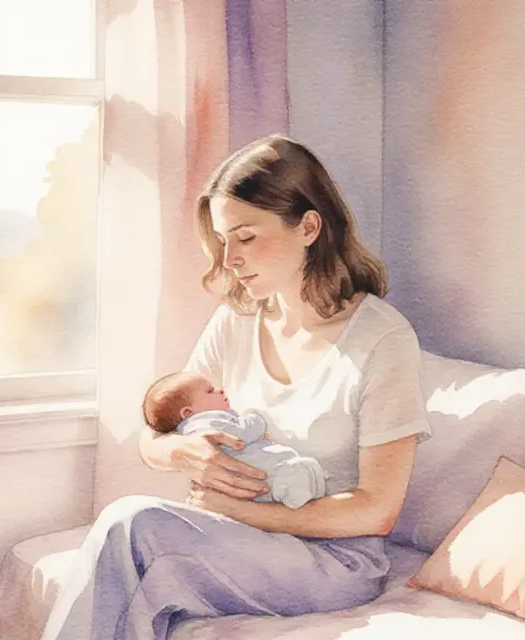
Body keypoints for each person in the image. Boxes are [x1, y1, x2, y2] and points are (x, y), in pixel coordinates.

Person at [41, 135, 431, 640]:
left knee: (132, 526)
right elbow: (155, 435)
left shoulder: (382, 339)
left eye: (245, 238)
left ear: (309, 227)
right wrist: (183, 452)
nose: (229, 260)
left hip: (334, 562)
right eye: (224, 241)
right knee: (131, 546)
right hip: (243, 536)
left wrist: (235, 509)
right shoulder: (236, 322)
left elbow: (376, 511)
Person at [141, 371, 327, 508]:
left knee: (301, 473)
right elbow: (241, 433)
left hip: (246, 484)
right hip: (263, 476)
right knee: (296, 475)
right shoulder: (206, 422)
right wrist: (255, 419)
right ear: (188, 412)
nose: (220, 390)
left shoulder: (192, 429)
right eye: (210, 391)